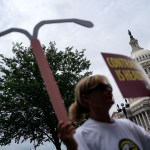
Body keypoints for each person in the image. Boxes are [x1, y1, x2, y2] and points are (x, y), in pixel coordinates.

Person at [58, 74, 150, 150]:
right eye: (101, 88)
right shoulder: (81, 135)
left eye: (109, 87)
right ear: (86, 98)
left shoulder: (128, 125)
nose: (109, 90)